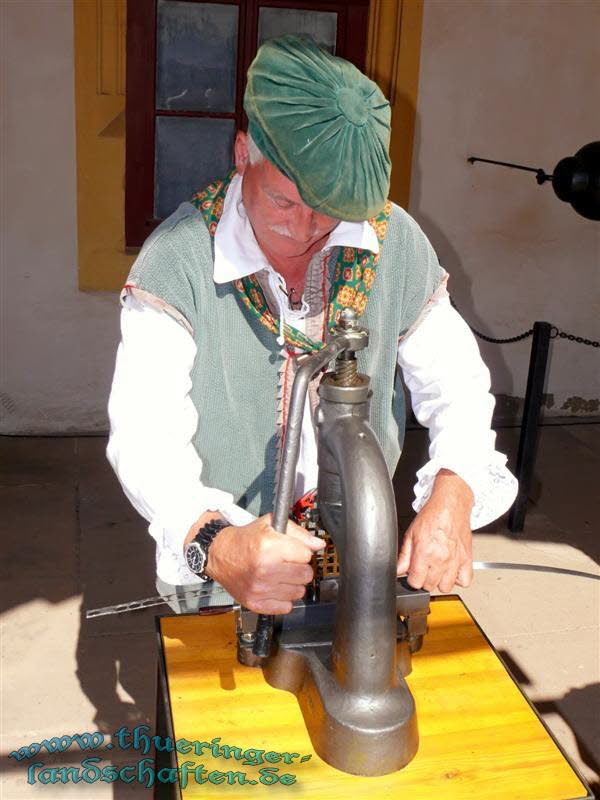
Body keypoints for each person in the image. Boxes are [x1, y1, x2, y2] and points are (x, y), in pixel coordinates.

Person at [107, 35, 517, 615]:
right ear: (242, 152)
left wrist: (454, 487)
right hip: (228, 559)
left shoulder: (390, 241)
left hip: (356, 550)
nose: (305, 230)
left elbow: (455, 384)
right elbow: (145, 433)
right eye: (283, 202)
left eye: (329, 208)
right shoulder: (178, 261)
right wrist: (213, 541)